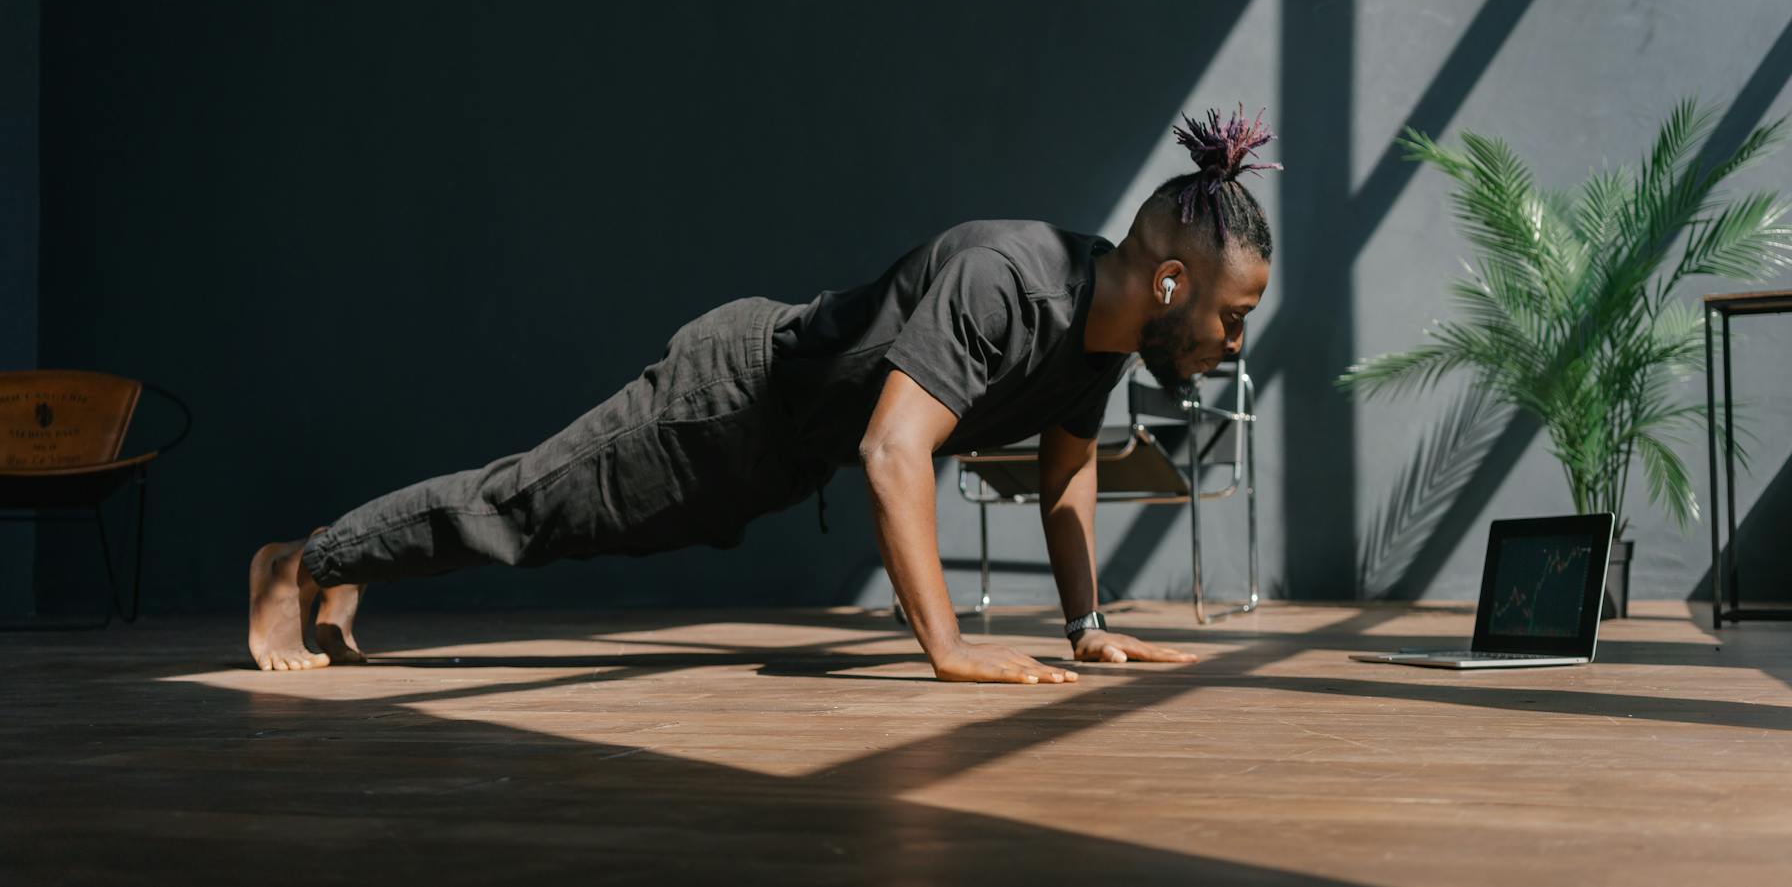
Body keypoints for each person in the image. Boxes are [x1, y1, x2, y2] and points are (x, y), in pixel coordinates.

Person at [247, 103, 1279, 684]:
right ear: (1173, 283)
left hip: (780, 455)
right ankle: (301, 563)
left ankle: (349, 566)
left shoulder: (1102, 337)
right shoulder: (1007, 280)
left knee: (556, 528)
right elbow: (891, 451)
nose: (1234, 342)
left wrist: (1085, 622)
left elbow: (1065, 475)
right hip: (725, 399)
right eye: (1233, 317)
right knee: (523, 512)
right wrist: (950, 650)